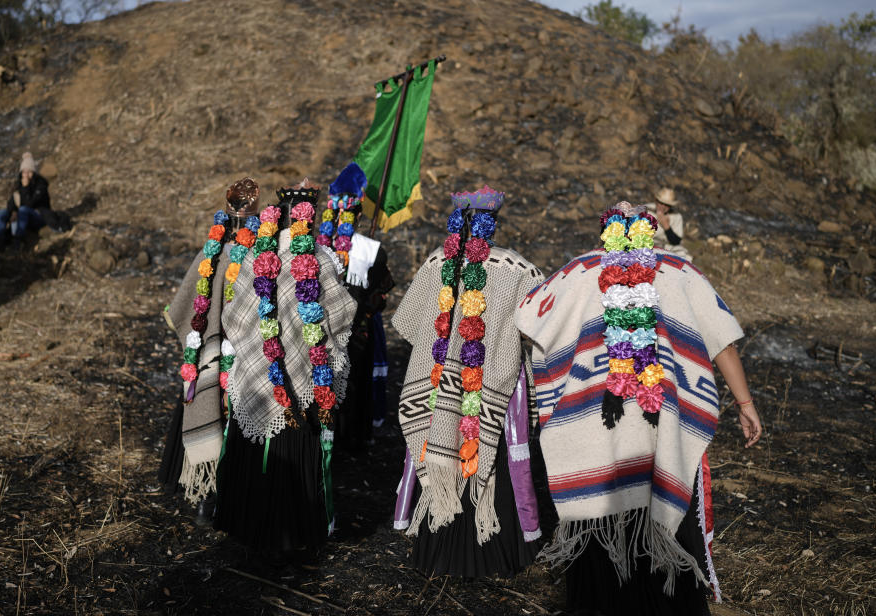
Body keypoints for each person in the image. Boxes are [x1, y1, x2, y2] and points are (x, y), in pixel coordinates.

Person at [514, 201, 762, 615]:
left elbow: (531, 325)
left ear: (606, 232)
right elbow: (722, 342)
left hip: (594, 421)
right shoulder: (681, 273)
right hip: (663, 419)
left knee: (601, 516)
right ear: (651, 232)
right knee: (665, 511)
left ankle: (600, 603)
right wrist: (745, 403)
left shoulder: (576, 273)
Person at [391, 185, 545, 578]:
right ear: (493, 222)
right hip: (496, 384)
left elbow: (408, 323)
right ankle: (495, 548)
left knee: (441, 445)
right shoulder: (517, 269)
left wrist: (441, 341)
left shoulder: (434, 264)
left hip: (436, 382)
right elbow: (542, 325)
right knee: (493, 455)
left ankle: (437, 544)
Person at [213, 177, 357, 554]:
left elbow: (236, 319)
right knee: (294, 445)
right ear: (310, 212)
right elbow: (342, 316)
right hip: (303, 390)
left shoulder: (259, 253)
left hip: (261, 379)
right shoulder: (321, 260)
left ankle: (248, 526)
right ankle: (294, 535)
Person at [160, 177, 263, 520]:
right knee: (234, 418)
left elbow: (187, 302)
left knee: (209, 407)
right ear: (255, 212)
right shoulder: (256, 253)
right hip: (241, 357)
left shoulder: (213, 247)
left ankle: (206, 497)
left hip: (210, 354)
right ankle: (224, 497)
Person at [316, 163, 396, 450]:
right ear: (359, 212)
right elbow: (381, 295)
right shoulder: (372, 251)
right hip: (359, 334)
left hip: (320, 334)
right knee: (355, 382)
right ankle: (356, 439)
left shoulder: (314, 248)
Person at [0, 152, 52, 252]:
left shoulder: (40, 185)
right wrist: (13, 212)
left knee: (23, 209)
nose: (26, 175)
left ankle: (18, 241)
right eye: (24, 172)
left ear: (33, 172)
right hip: (21, 216)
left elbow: (30, 204)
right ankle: (0, 242)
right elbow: (12, 202)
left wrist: (25, 188)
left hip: (38, 216)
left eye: (29, 172)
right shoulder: (19, 184)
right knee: (1, 213)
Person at [646, 187, 692, 261]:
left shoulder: (676, 217)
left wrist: (666, 226)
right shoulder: (646, 211)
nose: (663, 207)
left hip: (666, 246)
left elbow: (676, 241)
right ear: (656, 201)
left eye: (666, 205)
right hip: (647, 242)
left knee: (683, 254)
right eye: (661, 203)